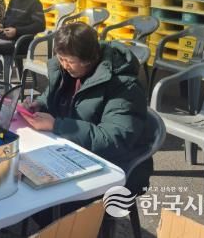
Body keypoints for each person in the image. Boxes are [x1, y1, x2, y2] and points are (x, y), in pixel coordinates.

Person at [21, 22, 154, 190]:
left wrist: (57, 125)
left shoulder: (124, 86)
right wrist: (39, 105)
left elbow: (113, 140)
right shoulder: (67, 71)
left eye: (70, 61)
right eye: (61, 58)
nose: (64, 65)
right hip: (72, 151)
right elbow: (51, 96)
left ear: (89, 59)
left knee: (43, 195)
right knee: (22, 175)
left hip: (112, 164)